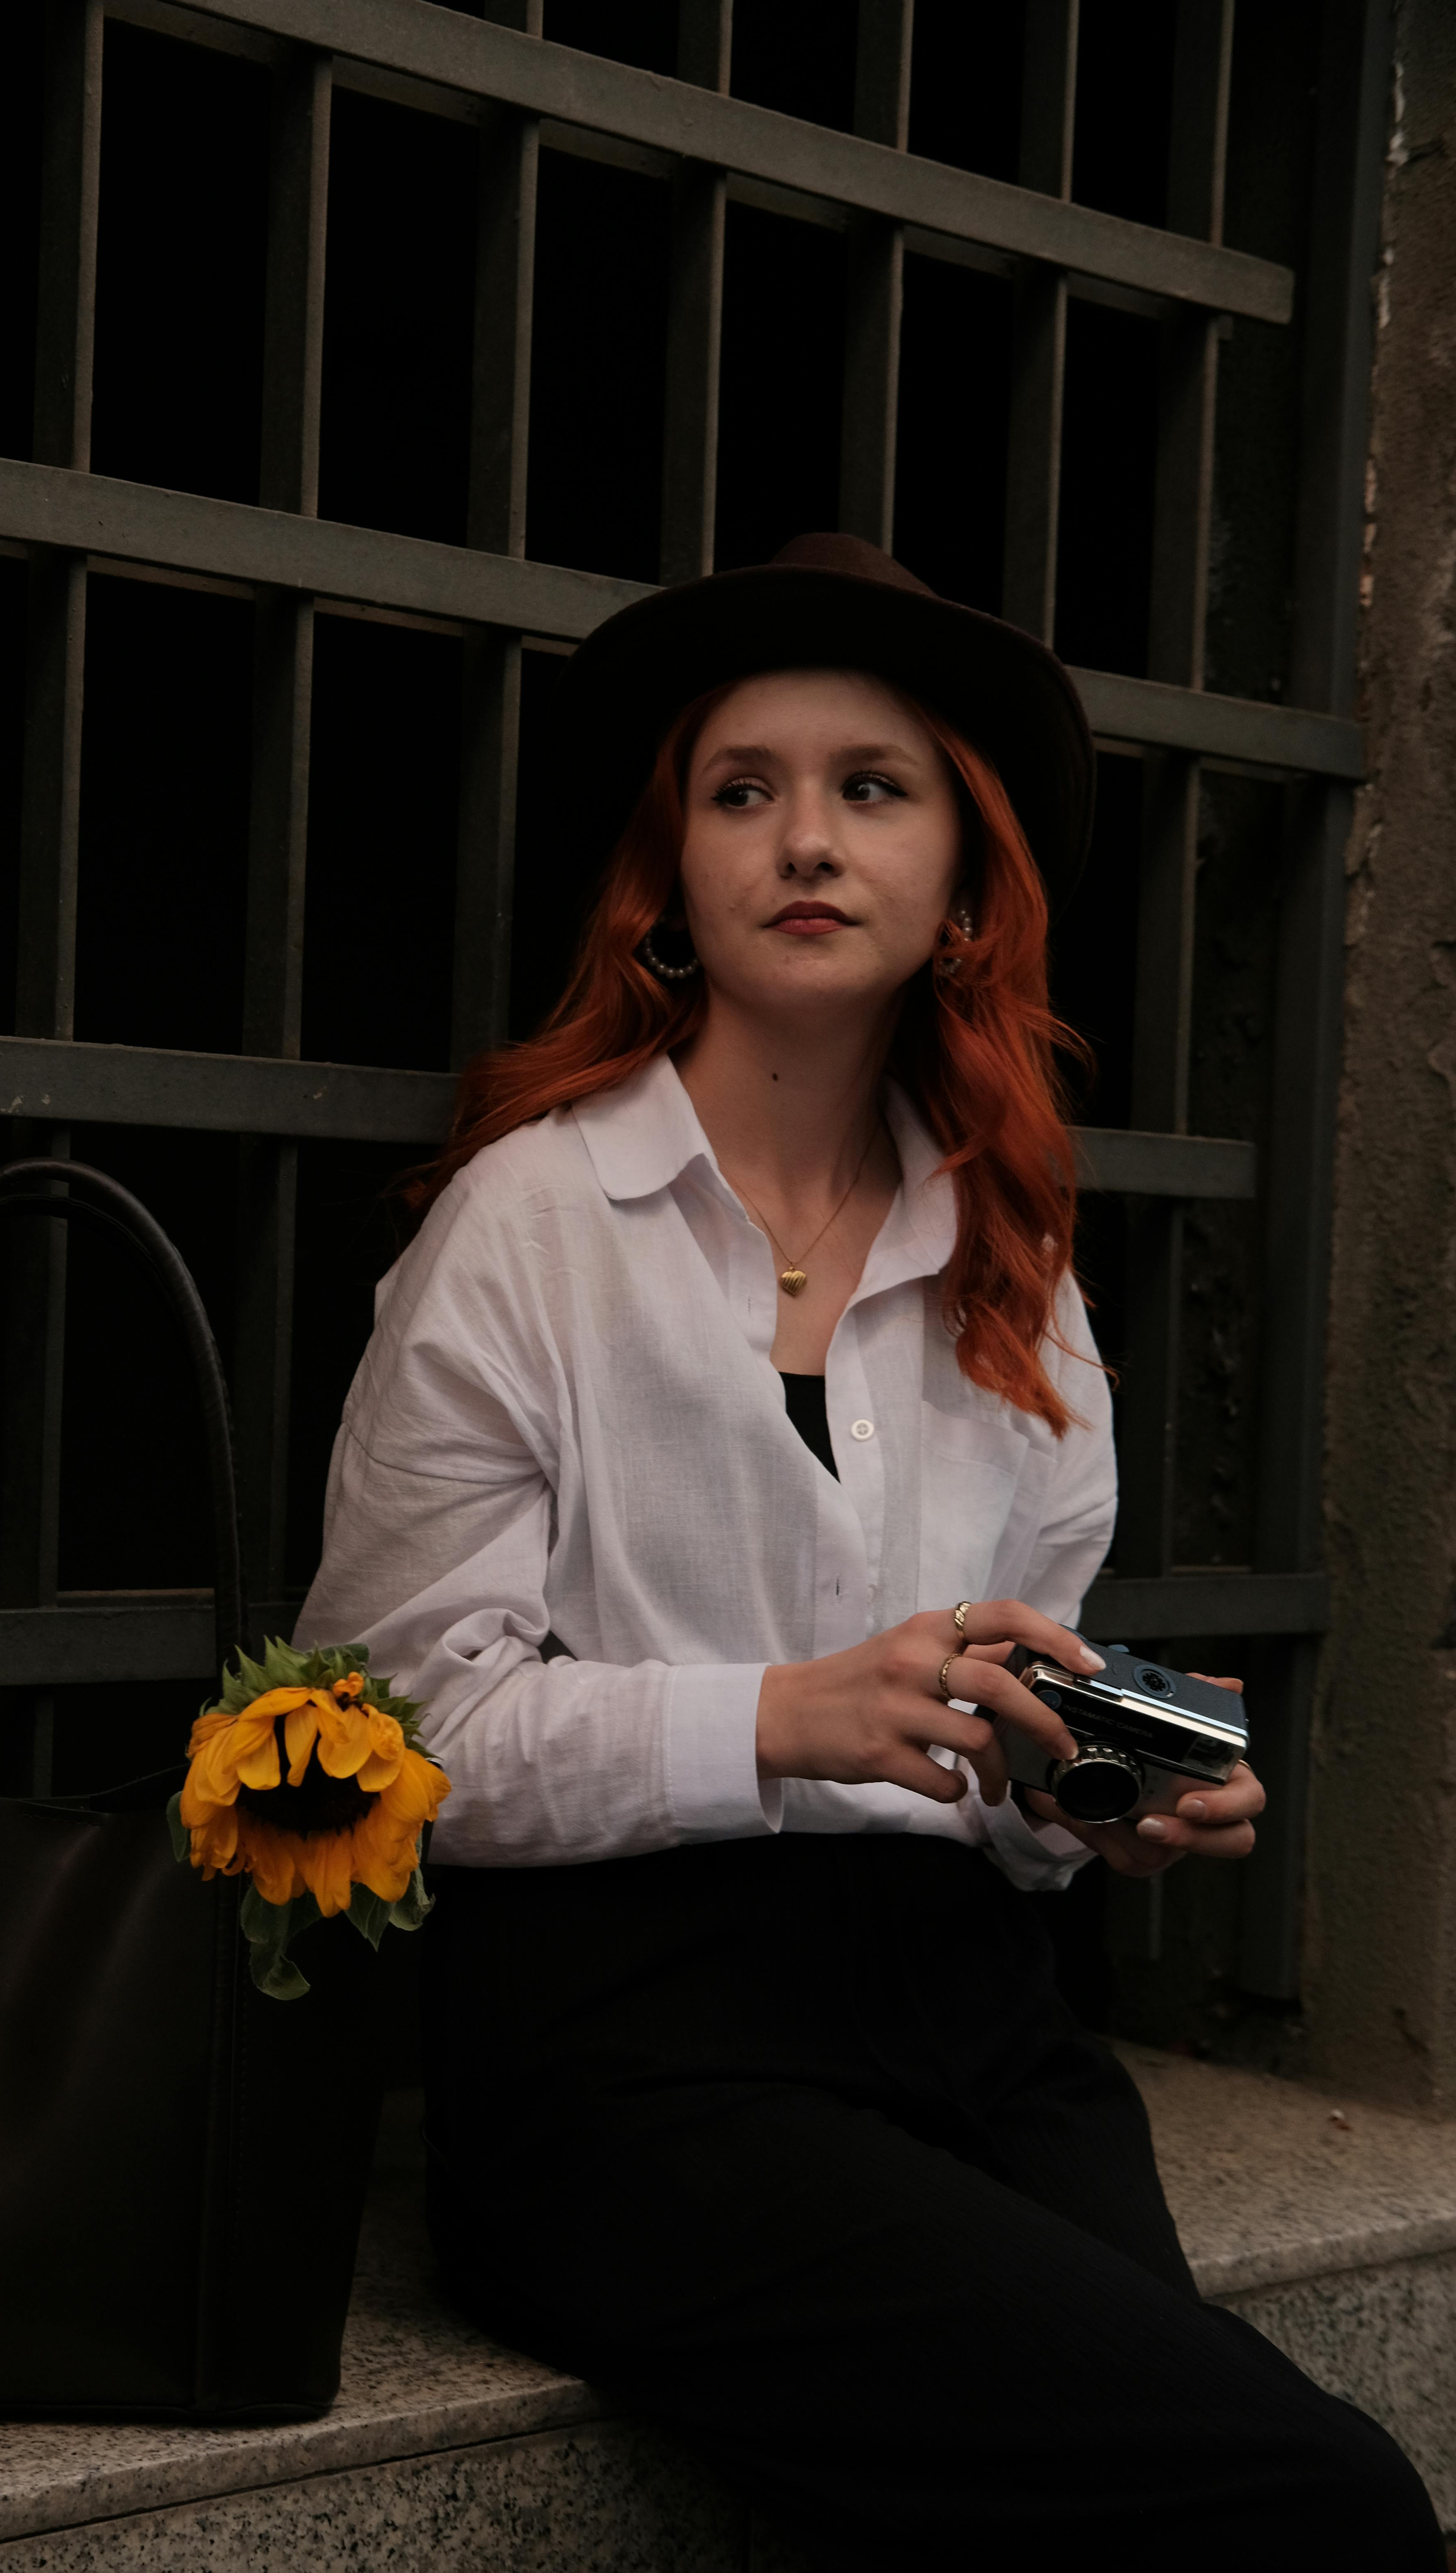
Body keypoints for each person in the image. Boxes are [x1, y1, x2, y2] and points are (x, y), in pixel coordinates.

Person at [297, 535, 1440, 2568]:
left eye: (869, 788)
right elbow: (374, 1735)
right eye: (742, 790)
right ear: (670, 873)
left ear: (962, 884)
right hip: (634, 2054)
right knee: (1318, 2506)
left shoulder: (1007, 1256)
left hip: (979, 2013)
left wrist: (1096, 1788)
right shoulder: (531, 1226)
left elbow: (1010, 1731)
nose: (802, 839)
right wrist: (778, 1719)